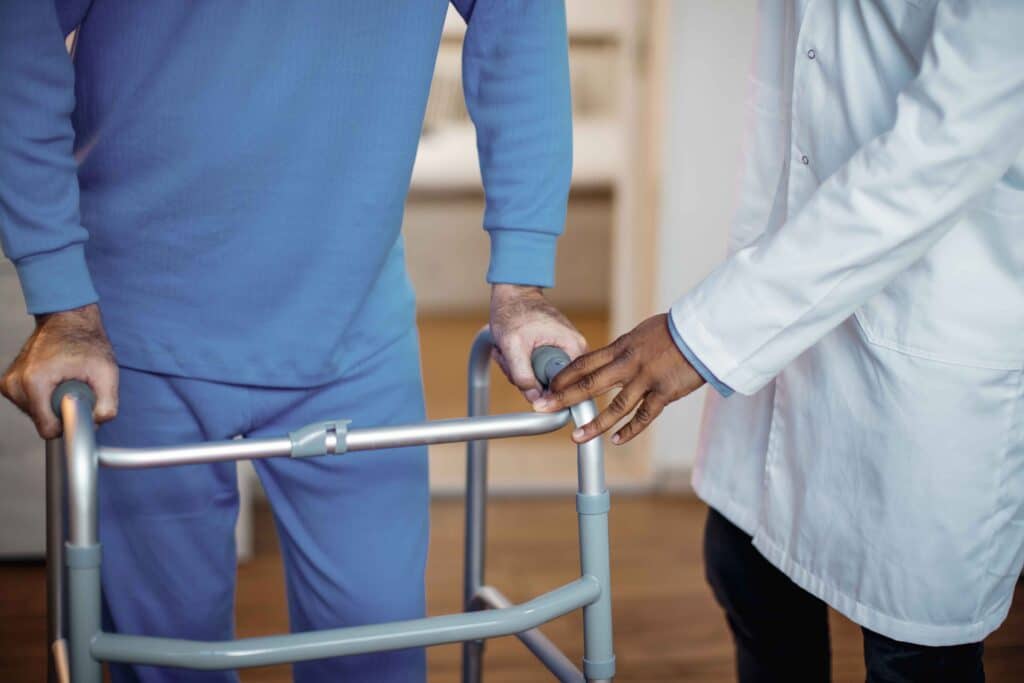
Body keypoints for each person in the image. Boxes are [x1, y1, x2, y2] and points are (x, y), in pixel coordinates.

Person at [0, 2, 585, 681]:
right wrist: (60, 298)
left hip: (353, 324)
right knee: (164, 660)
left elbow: (520, 20)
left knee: (379, 653)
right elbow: (19, 32)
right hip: (135, 337)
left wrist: (522, 280)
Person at [536, 1, 1024, 681]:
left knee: (911, 652)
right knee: (746, 570)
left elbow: (949, 142)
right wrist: (737, 312)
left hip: (929, 331)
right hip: (780, 305)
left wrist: (703, 333)